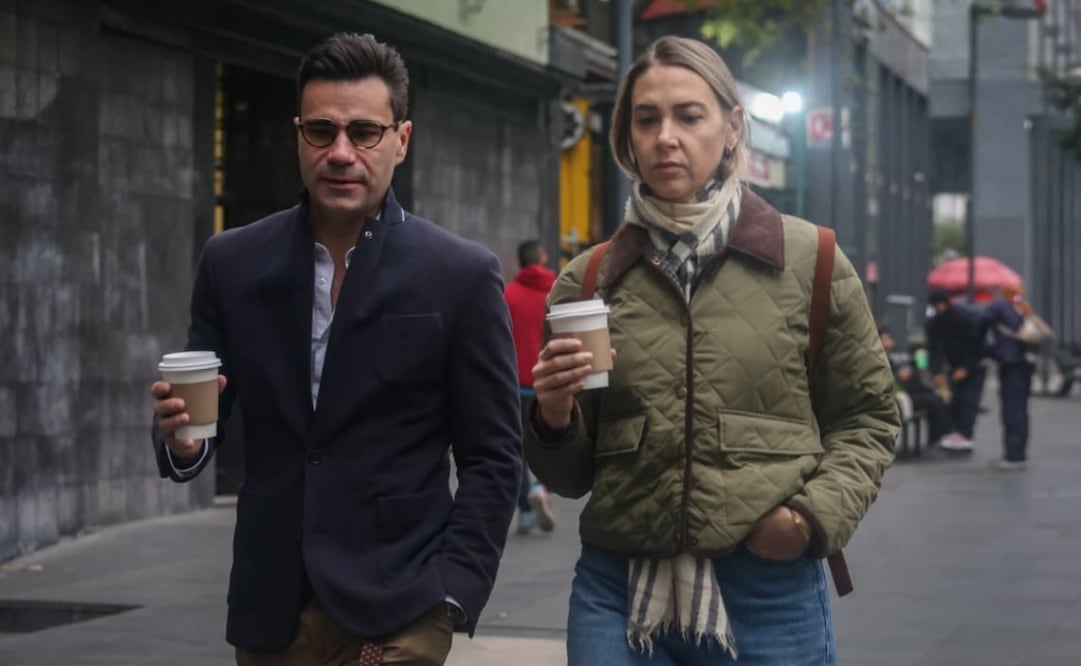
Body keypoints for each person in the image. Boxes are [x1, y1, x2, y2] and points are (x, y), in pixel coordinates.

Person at [524, 36, 899, 665]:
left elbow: (869, 418)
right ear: (627, 137)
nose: (666, 136)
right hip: (618, 592)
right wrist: (553, 415)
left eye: (688, 115)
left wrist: (806, 520)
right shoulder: (587, 282)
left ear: (731, 129)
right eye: (647, 119)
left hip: (766, 591)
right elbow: (568, 478)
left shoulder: (812, 262)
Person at [149, 33, 522, 665]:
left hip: (401, 603)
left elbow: (493, 455)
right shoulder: (233, 262)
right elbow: (203, 406)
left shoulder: (459, 274)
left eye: (364, 132)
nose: (340, 152)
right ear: (298, 135)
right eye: (321, 131)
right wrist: (184, 442)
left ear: (401, 140)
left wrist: (455, 589)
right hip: (272, 605)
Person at [504, 240, 557, 534]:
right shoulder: (559, 290)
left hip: (515, 382)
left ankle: (524, 510)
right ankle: (542, 487)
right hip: (550, 380)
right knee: (552, 439)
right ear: (542, 257)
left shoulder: (509, 294)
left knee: (518, 448)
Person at [980, 285, 1045, 470]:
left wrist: (987, 350)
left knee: (1011, 410)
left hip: (1010, 364)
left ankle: (1013, 455)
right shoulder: (1023, 308)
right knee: (1021, 411)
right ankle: (1019, 453)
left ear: (1004, 293)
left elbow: (983, 321)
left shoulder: (1001, 307)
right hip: (1025, 364)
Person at [879, 326, 971, 451]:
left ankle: (939, 436)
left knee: (937, 397)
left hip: (908, 392)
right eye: (883, 340)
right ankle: (945, 434)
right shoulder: (878, 359)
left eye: (889, 339)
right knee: (933, 401)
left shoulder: (897, 356)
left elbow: (919, 368)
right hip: (897, 396)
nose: (887, 343)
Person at [925, 288, 987, 442]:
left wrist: (966, 367)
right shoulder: (934, 323)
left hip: (973, 366)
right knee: (955, 400)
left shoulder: (964, 319)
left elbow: (977, 346)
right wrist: (937, 371)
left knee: (969, 401)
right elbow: (934, 349)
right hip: (954, 365)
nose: (939, 308)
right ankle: (956, 433)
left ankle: (964, 434)